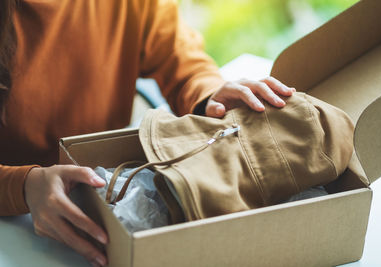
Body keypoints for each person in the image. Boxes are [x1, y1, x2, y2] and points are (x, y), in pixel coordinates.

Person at [0, 0, 294, 266]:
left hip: (105, 204)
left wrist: (208, 97)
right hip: (13, 221)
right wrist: (21, 187)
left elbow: (182, 61)